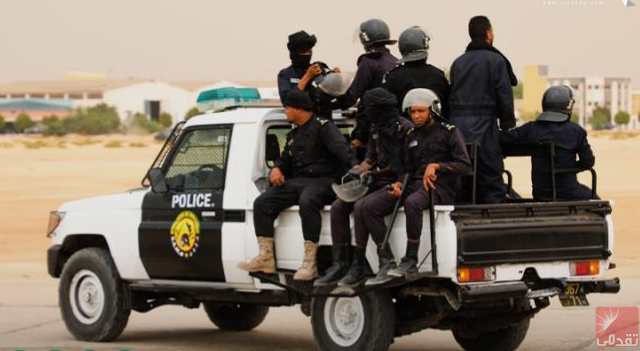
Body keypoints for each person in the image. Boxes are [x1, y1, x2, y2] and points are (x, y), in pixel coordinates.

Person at [238, 90, 358, 281]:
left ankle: (310, 263)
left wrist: (356, 169)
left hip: (325, 181)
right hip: (300, 181)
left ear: (297, 109)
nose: (285, 112)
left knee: (308, 200)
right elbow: (285, 159)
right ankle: (266, 258)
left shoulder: (323, 127)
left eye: (287, 108)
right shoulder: (294, 134)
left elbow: (342, 151)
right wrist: (276, 169)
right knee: (262, 202)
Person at [313, 87, 413, 287]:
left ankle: (383, 260)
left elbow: (406, 166)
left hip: (402, 182)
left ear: (382, 108)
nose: (368, 113)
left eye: (371, 108)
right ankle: (341, 263)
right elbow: (370, 158)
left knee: (363, 207)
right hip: (377, 181)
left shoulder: (404, 129)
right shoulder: (376, 128)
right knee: (338, 207)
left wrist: (373, 174)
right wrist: (358, 171)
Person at [385, 89, 471, 281]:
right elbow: (408, 167)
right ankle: (384, 259)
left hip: (441, 187)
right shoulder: (411, 135)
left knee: (413, 203)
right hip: (415, 183)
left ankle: (411, 260)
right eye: (413, 112)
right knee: (375, 201)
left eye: (421, 111)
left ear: (432, 110)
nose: (416, 116)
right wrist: (399, 183)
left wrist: (437, 166)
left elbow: (465, 166)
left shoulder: (450, 132)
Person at [448, 15, 517, 204]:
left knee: (463, 179)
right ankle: (492, 224)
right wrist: (507, 124)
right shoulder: (496, 61)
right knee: (492, 180)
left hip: (458, 130)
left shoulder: (458, 63)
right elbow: (504, 95)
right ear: (488, 33)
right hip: (485, 129)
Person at [500, 85, 598, 200]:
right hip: (570, 194)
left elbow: (503, 138)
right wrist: (568, 168)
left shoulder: (531, 129)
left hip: (541, 195)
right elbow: (588, 162)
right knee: (598, 201)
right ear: (568, 106)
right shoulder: (576, 131)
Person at [339, 19, 399, 160]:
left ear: (364, 39)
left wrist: (333, 100)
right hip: (392, 126)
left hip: (370, 130)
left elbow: (352, 96)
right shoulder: (395, 61)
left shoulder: (368, 62)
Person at [382, 26, 450, 118]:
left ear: (401, 49)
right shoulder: (438, 75)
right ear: (425, 46)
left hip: (403, 130)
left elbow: (387, 110)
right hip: (434, 130)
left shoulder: (392, 77)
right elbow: (447, 109)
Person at [276, 30, 338, 120]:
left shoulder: (319, 68)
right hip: (303, 128)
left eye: (310, 51)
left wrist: (337, 79)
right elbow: (288, 101)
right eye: (304, 52)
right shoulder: (285, 74)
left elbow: (341, 99)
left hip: (325, 125)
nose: (308, 55)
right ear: (295, 54)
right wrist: (307, 76)